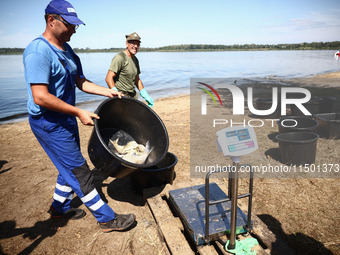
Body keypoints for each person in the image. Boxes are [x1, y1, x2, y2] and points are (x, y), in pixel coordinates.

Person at [23, 0, 136, 233]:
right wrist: (77, 111)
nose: (74, 29)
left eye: (76, 25)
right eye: (69, 24)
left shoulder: (68, 49)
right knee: (79, 170)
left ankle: (58, 209)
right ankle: (106, 219)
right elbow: (40, 97)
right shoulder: (38, 51)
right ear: (51, 20)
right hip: (48, 122)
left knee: (68, 166)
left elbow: (80, 81)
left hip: (65, 119)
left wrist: (109, 91)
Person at [105, 32, 154, 107]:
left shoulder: (135, 59)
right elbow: (108, 78)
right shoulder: (120, 57)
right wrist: (115, 94)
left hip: (133, 96)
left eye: (137, 44)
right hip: (121, 96)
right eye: (133, 44)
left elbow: (137, 80)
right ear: (127, 44)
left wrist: (145, 94)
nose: (135, 46)